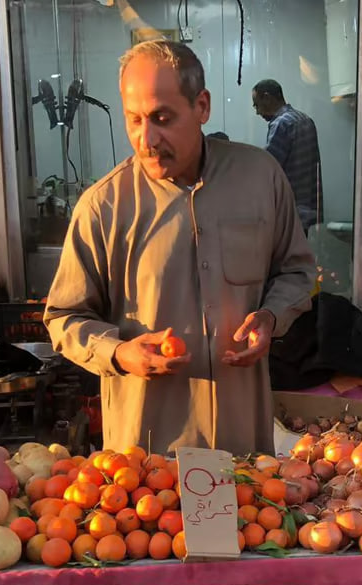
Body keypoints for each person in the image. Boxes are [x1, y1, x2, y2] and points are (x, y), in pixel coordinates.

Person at [44, 40, 315, 456]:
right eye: (133, 120)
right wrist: (119, 352)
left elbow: (296, 272)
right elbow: (64, 316)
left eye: (162, 118)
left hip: (240, 439)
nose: (146, 138)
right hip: (144, 455)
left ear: (202, 107)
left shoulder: (260, 179)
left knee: (251, 521)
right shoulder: (105, 206)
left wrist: (270, 316)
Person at [251, 79, 322, 234]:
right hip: (309, 210)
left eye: (256, 105)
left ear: (267, 97)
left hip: (290, 213)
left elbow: (268, 169)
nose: (257, 112)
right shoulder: (305, 119)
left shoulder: (281, 123)